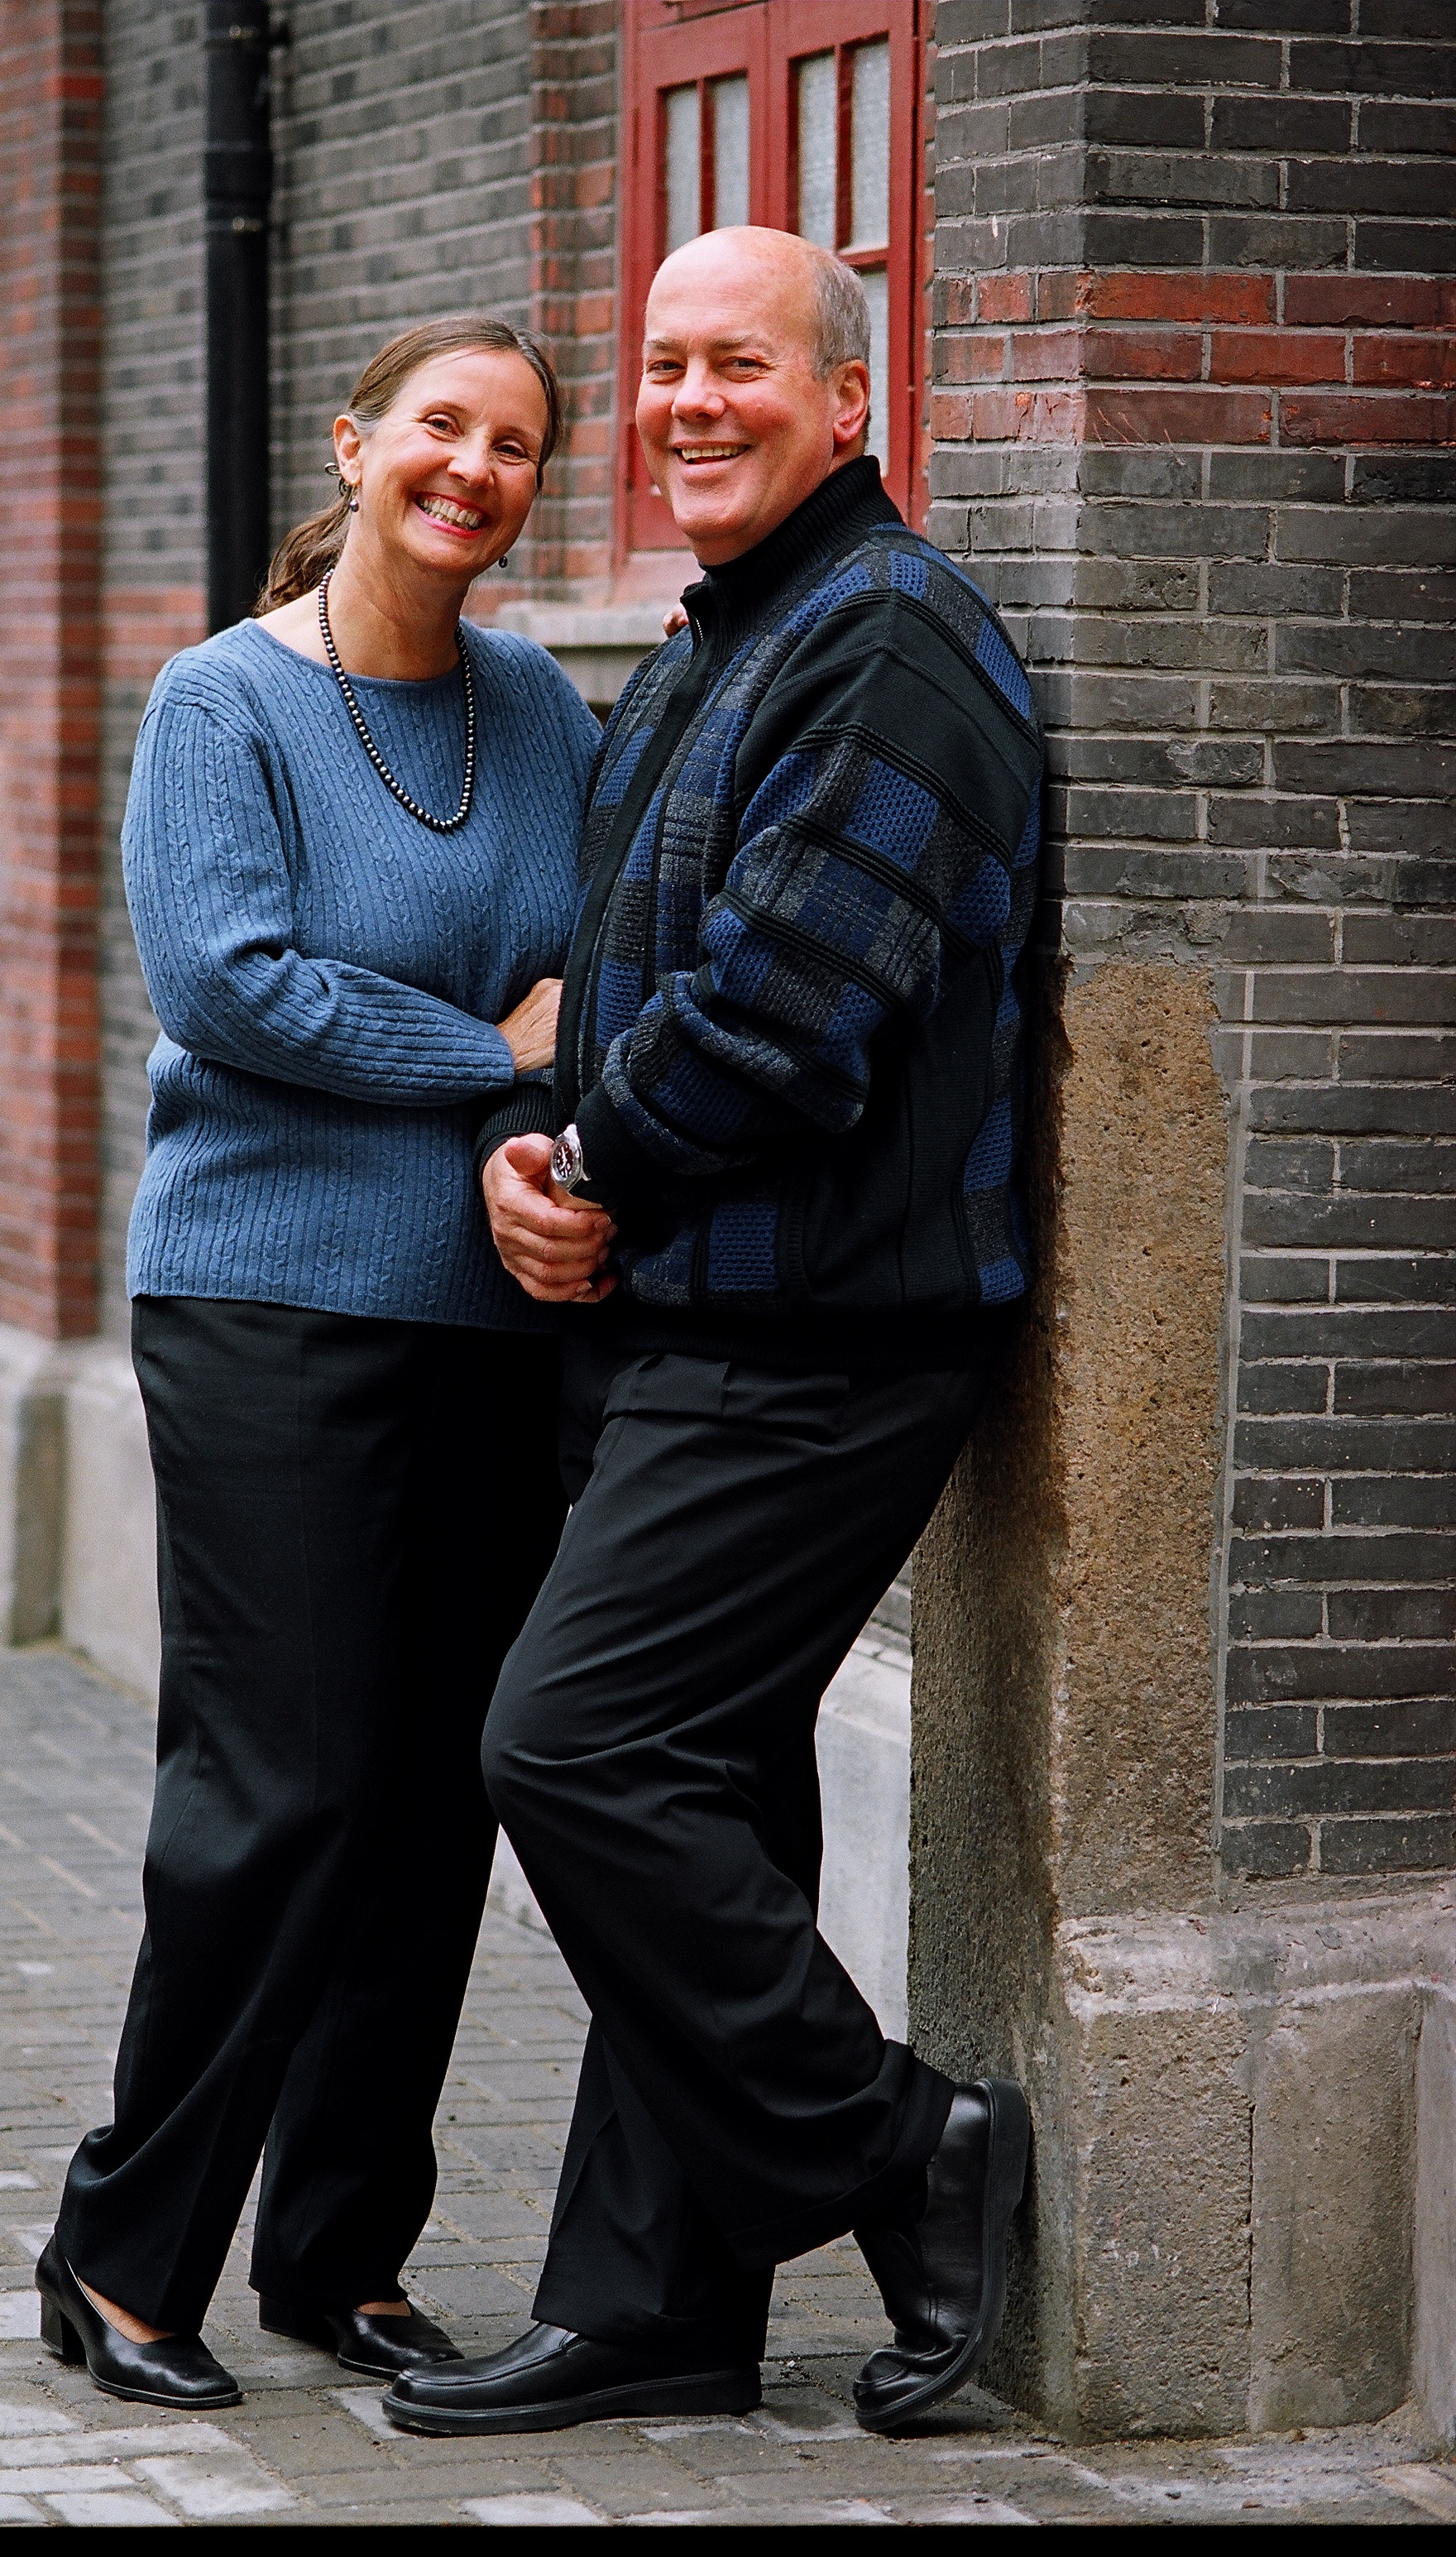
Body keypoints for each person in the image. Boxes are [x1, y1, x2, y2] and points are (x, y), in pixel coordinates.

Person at [382, 228, 1044, 2441]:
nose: (688, 401)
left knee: (571, 1746)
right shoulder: (725, 633)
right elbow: (616, 987)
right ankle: (658, 2302)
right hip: (688, 1306)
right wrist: (532, 1143)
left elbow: (779, 1020)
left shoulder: (889, 643)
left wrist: (583, 1164)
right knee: (714, 1791)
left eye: (739, 364)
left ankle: (905, 2148)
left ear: (849, 400)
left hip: (824, 1333)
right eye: (662, 364)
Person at [36, 316, 608, 2410]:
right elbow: (231, 986)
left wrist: (549, 1096)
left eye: (516, 446)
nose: (474, 470)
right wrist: (490, 1054)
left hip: (488, 1314)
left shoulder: (540, 707)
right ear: (358, 448)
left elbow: (591, 966)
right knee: (275, 1786)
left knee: (429, 1801)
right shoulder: (224, 700)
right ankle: (122, 2254)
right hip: (265, 1303)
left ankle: (339, 2250)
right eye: (441, 428)